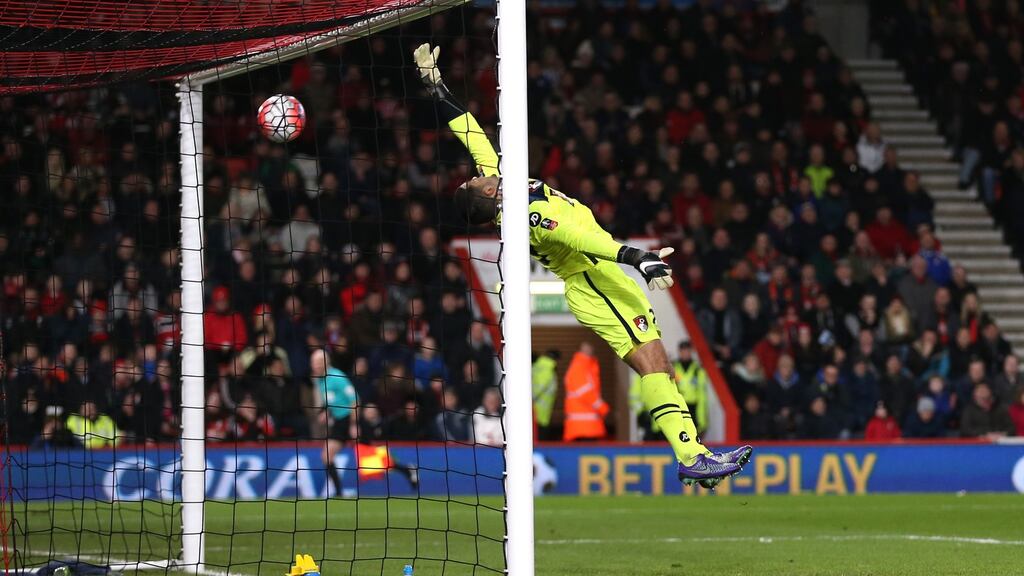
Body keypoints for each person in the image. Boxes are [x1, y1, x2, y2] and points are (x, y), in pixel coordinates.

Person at [413, 43, 748, 487]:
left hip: (604, 276)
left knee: (659, 367)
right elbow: (579, 238)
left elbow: (471, 133)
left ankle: (694, 454)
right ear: (488, 195)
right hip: (594, 281)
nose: (479, 172)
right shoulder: (523, 216)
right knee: (654, 365)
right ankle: (691, 455)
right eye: (477, 178)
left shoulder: (506, 183)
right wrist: (637, 258)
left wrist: (436, 86)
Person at [311, 349, 358, 497]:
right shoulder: (320, 380)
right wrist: (327, 412)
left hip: (348, 420)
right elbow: (334, 401)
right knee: (326, 456)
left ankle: (407, 470)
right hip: (339, 422)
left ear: (327, 362)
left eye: (319, 362)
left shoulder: (337, 377)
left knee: (370, 457)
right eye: (314, 363)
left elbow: (355, 400)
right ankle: (338, 493)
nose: (316, 366)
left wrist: (353, 424)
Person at [562, 342, 609, 442]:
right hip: (582, 426)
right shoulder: (579, 367)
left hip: (585, 425)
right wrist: (602, 407)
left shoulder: (586, 366)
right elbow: (584, 391)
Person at [672, 340, 710, 436]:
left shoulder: (697, 369)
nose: (685, 353)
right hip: (678, 407)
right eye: (683, 351)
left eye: (687, 350)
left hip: (693, 408)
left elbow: (702, 396)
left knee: (694, 437)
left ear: (691, 351)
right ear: (679, 351)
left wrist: (702, 420)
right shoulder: (672, 368)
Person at [531, 349, 560, 440]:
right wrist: (531, 398)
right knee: (540, 434)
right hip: (540, 407)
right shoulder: (547, 367)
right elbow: (541, 385)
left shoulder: (538, 366)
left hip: (537, 406)